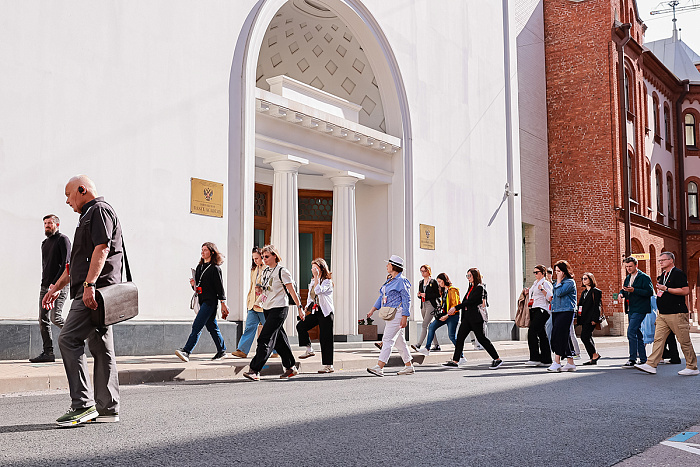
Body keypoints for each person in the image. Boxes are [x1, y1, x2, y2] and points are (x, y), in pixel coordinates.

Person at [42, 175, 122, 426]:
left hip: (93, 294)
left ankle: (83, 405)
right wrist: (55, 287)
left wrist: (89, 285)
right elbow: (75, 263)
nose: (67, 201)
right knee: (101, 347)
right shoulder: (87, 216)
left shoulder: (98, 210)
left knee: (67, 338)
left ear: (82, 190)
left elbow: (102, 248)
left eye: (68, 195)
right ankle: (108, 407)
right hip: (95, 292)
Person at [243, 245, 303, 381]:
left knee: (265, 338)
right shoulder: (265, 272)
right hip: (267, 308)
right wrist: (260, 291)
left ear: (274, 256)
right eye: (263, 257)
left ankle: (255, 369)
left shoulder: (282, 271)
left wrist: (299, 307)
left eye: (266, 256)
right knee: (279, 340)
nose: (264, 259)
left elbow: (292, 291)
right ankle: (291, 367)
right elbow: (265, 290)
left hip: (280, 308)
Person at [635, 252, 699, 376]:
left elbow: (685, 290)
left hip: (677, 313)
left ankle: (692, 367)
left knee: (684, 340)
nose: (660, 262)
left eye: (663, 260)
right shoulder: (663, 275)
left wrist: (667, 289)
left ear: (671, 261)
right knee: (658, 339)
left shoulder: (678, 274)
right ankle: (651, 364)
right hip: (663, 314)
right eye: (659, 260)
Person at [175, 243, 229, 362]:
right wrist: (194, 285)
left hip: (210, 302)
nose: (202, 252)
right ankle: (222, 351)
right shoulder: (199, 267)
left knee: (197, 325)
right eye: (202, 250)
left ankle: (187, 351)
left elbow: (219, 287)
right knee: (212, 327)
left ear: (212, 252)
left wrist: (223, 303)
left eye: (205, 250)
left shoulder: (215, 268)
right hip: (201, 300)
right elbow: (199, 287)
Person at [30, 214, 71, 363]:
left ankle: (78, 333)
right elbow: (46, 266)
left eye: (50, 223)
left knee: (55, 317)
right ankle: (48, 353)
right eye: (45, 223)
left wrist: (57, 284)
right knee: (43, 319)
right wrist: (45, 284)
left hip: (59, 285)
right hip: (45, 286)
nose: (47, 225)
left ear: (57, 225)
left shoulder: (63, 240)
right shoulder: (44, 243)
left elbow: (67, 264)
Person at [443, 268, 503, 369]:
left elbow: (470, 302)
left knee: (482, 339)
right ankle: (455, 361)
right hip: (467, 319)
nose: (468, 278)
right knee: (460, 338)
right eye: (467, 276)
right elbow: (466, 301)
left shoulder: (480, 288)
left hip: (475, 319)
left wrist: (456, 308)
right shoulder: (470, 287)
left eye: (469, 276)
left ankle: (497, 359)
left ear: (475, 276)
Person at [366, 255, 415, 377]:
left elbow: (406, 299)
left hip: (397, 313)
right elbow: (381, 296)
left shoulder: (402, 281)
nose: (386, 266)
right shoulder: (390, 280)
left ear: (394, 266)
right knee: (400, 342)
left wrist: (405, 316)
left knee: (387, 339)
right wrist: (373, 309)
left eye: (388, 264)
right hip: (391, 314)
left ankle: (380, 367)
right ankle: (409, 366)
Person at [419, 273, 467, 366]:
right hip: (444, 315)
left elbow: (454, 306)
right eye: (438, 282)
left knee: (452, 336)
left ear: (445, 280)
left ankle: (461, 356)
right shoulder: (442, 290)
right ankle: (427, 348)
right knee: (432, 326)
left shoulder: (452, 290)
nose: (439, 283)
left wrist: (447, 316)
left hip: (452, 316)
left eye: (440, 281)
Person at [297, 258, 335, 373]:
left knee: (325, 338)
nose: (312, 270)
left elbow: (318, 291)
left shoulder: (327, 281)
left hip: (326, 313)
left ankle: (328, 366)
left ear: (321, 269)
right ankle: (309, 349)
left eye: (315, 268)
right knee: (301, 326)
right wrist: (306, 307)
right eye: (312, 268)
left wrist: (317, 278)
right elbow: (311, 295)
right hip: (316, 311)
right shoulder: (313, 281)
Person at [618, 256, 654, 368]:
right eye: (627, 266)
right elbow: (624, 288)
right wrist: (621, 293)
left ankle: (632, 359)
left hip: (640, 308)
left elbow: (649, 292)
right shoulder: (628, 277)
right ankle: (643, 359)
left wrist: (634, 290)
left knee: (631, 332)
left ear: (636, 265)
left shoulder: (644, 277)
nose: (628, 268)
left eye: (630, 266)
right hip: (631, 308)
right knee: (637, 333)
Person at [232, 247, 266, 358]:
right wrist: (249, 302)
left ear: (262, 257)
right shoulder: (254, 269)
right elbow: (252, 287)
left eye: (257, 258)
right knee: (249, 327)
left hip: (263, 305)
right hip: (252, 304)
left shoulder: (267, 269)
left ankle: (275, 351)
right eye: (253, 258)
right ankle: (242, 350)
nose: (255, 260)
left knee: (269, 328)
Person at [547, 260, 577, 372]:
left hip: (566, 311)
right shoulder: (558, 283)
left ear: (564, 271)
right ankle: (570, 362)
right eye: (556, 271)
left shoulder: (569, 282)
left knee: (559, 335)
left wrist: (558, 281)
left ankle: (557, 362)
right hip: (557, 310)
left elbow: (559, 293)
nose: (557, 273)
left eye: (559, 271)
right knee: (563, 336)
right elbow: (555, 296)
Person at [524, 264, 553, 367]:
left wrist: (542, 290)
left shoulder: (545, 283)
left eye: (537, 272)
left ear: (543, 273)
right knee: (542, 334)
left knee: (532, 332)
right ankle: (546, 359)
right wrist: (528, 292)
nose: (535, 274)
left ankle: (535, 358)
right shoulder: (535, 283)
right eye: (534, 272)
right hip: (535, 309)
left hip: (543, 310)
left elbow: (550, 298)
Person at [412, 265, 441, 351]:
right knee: (429, 325)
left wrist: (427, 295)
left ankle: (418, 344)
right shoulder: (421, 282)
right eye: (421, 271)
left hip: (431, 305)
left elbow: (438, 294)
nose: (422, 273)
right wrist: (419, 295)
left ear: (428, 271)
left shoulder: (433, 281)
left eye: (424, 271)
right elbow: (421, 293)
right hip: (423, 304)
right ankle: (436, 345)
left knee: (424, 324)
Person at [577, 272, 602, 365]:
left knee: (584, 336)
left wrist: (595, 319)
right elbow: (581, 306)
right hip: (584, 318)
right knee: (588, 337)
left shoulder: (596, 292)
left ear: (591, 280)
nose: (583, 280)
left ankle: (594, 354)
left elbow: (597, 306)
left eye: (585, 278)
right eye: (582, 279)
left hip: (591, 319)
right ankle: (593, 357)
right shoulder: (584, 292)